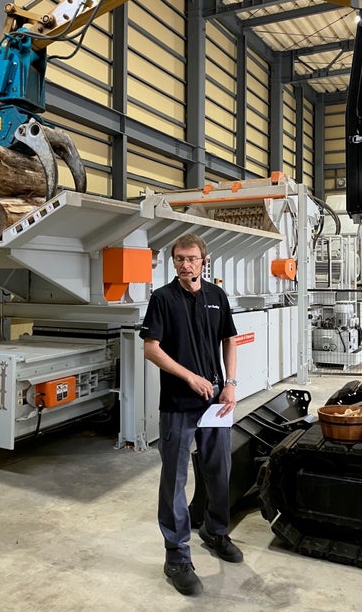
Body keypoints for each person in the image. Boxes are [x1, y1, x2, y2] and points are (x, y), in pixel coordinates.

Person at [140, 233, 243, 597]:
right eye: (180, 259)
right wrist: (188, 377)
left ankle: (215, 532)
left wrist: (230, 383)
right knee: (175, 480)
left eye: (192, 258)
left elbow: (229, 339)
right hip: (178, 405)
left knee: (219, 470)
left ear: (204, 261)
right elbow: (151, 349)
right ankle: (176, 557)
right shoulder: (162, 298)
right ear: (174, 262)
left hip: (216, 402)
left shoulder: (217, 296)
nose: (185, 264)